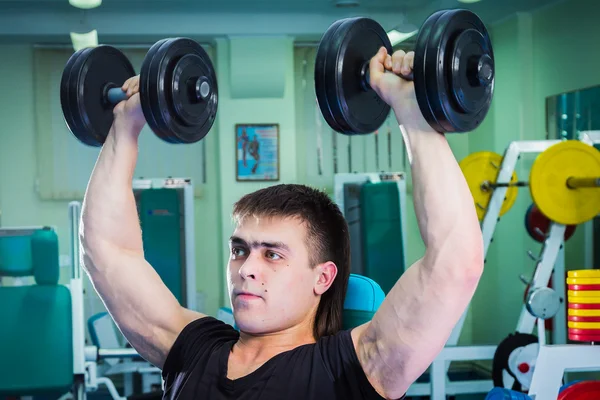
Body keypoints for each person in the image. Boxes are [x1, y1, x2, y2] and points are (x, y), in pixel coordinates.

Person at [79, 47, 483, 399]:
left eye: (273, 254)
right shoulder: (193, 346)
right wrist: (125, 124)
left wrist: (410, 109)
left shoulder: (350, 369)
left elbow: (455, 263)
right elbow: (108, 253)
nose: (247, 270)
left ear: (322, 278)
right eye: (240, 249)